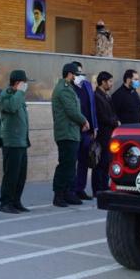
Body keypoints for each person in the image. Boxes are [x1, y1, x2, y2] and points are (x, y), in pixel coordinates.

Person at [52, 62, 90, 208]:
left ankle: (68, 193)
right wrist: (84, 120)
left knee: (69, 165)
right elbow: (71, 110)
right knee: (65, 164)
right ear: (70, 74)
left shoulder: (69, 88)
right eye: (76, 75)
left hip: (71, 132)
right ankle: (59, 194)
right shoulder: (64, 89)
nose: (78, 77)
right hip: (66, 132)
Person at [0, 69, 32, 214]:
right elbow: (11, 107)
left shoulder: (19, 96)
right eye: (24, 83)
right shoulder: (7, 95)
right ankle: (6, 202)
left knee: (21, 175)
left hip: (22, 141)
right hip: (11, 142)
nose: (26, 86)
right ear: (18, 83)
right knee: (11, 174)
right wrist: (19, 92)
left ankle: (16, 201)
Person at [71, 61, 97, 201]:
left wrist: (94, 127)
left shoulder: (87, 85)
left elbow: (92, 107)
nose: (80, 75)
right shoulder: (69, 87)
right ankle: (71, 189)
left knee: (84, 161)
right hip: (75, 129)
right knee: (72, 160)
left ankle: (80, 188)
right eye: (77, 73)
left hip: (87, 131)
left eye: (81, 72)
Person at [92, 71, 118, 195]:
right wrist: (115, 122)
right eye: (110, 81)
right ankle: (98, 188)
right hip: (103, 134)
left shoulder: (106, 96)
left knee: (107, 161)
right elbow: (102, 116)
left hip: (109, 133)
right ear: (103, 82)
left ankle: (103, 185)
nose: (111, 84)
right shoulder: (97, 96)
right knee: (101, 162)